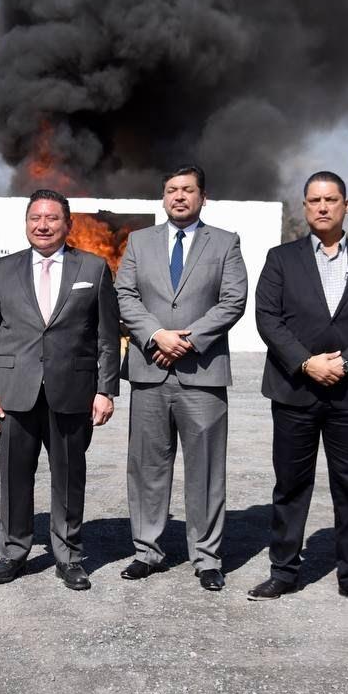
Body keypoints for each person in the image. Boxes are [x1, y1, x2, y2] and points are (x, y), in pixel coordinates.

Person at [249, 172, 348, 610]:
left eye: (331, 199)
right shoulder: (281, 259)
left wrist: (347, 362)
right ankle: (284, 571)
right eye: (314, 200)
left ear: (346, 205)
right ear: (304, 207)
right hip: (296, 389)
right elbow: (267, 318)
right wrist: (306, 362)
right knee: (291, 485)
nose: (322, 207)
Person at [0, 189, 121, 591]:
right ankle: (13, 552)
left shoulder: (93, 267)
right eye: (35, 218)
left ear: (68, 224)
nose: (43, 225)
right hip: (13, 392)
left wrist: (106, 390)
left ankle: (69, 555)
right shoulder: (2, 269)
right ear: (26, 223)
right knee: (14, 476)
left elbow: (108, 336)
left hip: (73, 391)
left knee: (69, 476)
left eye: (52, 218)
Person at [113, 165, 247, 591]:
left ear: (203, 197)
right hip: (150, 371)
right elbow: (125, 295)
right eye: (172, 190)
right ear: (163, 197)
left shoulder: (225, 243)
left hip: (202, 372)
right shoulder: (139, 241)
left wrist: (189, 340)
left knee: (205, 469)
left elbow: (233, 300)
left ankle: (206, 557)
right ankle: (146, 551)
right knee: (147, 467)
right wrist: (156, 334)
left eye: (188, 190)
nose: (179, 197)